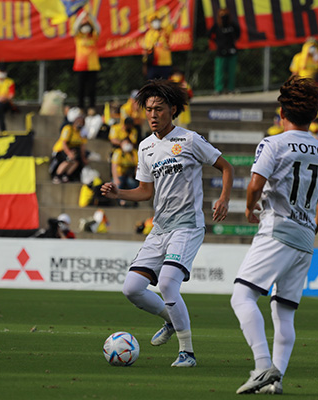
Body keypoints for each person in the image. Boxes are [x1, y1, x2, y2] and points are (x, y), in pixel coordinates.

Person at [101, 79, 234, 367]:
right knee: (132, 288)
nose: (152, 115)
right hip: (160, 228)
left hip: (187, 225)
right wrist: (118, 193)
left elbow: (226, 167)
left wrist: (223, 198)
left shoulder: (190, 140)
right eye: (149, 109)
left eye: (159, 109)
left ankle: (187, 352)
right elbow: (145, 191)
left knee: (167, 284)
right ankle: (171, 320)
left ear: (172, 110)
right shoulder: (146, 147)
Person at [230, 75, 318, 395]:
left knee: (242, 296)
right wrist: (312, 228)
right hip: (304, 237)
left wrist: (249, 207)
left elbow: (255, 185)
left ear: (281, 112)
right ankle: (275, 382)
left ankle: (264, 366)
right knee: (284, 311)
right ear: (313, 115)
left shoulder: (273, 143)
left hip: (277, 229)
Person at [49, 107, 88, 183]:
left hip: (72, 151)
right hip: (60, 150)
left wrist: (83, 158)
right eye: (79, 120)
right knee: (69, 160)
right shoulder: (68, 128)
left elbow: (82, 145)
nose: (81, 122)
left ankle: (66, 175)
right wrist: (69, 153)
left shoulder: (81, 132)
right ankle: (57, 176)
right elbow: (64, 143)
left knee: (76, 162)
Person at [208, 8, 241, 95]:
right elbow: (209, 34)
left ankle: (231, 88)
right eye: (222, 15)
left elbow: (238, 32)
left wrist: (234, 40)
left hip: (231, 51)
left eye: (225, 15)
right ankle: (218, 89)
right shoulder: (217, 25)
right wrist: (216, 41)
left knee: (231, 72)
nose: (224, 17)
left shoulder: (232, 25)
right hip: (220, 52)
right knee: (219, 72)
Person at [73, 11, 101, 111]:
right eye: (84, 26)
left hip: (93, 66)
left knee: (92, 88)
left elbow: (98, 28)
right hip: (80, 66)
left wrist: (91, 17)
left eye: (87, 26)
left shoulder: (93, 36)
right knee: (81, 88)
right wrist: (82, 16)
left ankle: (91, 107)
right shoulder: (78, 37)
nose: (85, 28)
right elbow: (75, 27)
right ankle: (80, 107)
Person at [142, 12, 174, 80]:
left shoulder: (165, 31)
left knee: (165, 83)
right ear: (150, 23)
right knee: (152, 83)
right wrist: (145, 65)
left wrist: (179, 11)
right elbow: (146, 50)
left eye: (157, 20)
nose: (156, 22)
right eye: (153, 21)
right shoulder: (149, 34)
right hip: (153, 64)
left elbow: (173, 23)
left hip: (165, 63)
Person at [111, 137, 138, 207]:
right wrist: (116, 179)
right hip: (119, 175)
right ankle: (121, 202)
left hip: (129, 176)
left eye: (128, 143)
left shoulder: (134, 153)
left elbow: (137, 166)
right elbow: (114, 167)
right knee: (117, 186)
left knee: (133, 184)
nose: (127, 145)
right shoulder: (118, 152)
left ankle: (135, 201)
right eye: (125, 143)